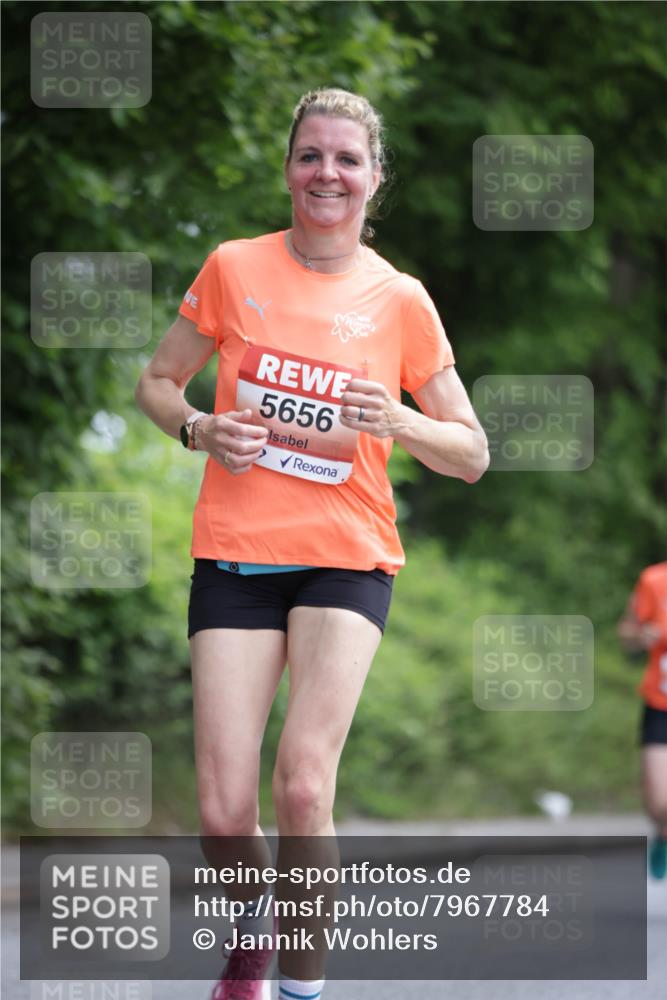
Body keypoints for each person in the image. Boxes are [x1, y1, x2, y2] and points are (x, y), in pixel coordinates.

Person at [135, 87, 489, 1000]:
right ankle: (252, 938)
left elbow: (472, 453)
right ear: (288, 167)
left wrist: (403, 422)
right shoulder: (232, 266)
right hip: (236, 558)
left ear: (374, 178)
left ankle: (299, 990)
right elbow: (160, 381)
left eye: (346, 158)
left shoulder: (398, 299)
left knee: (301, 788)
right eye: (310, 155)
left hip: (346, 555)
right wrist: (198, 429)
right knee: (221, 811)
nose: (326, 172)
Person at [617, 560, 667, 879]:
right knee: (659, 802)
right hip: (660, 703)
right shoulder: (654, 579)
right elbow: (627, 632)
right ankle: (663, 834)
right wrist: (641, 637)